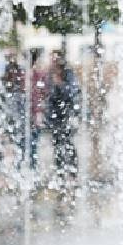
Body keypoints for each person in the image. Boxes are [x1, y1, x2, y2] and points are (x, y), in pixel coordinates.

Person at [46, 51, 81, 189]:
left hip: (67, 115)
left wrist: (60, 84)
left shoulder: (68, 74)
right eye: (52, 58)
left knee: (69, 144)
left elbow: (72, 92)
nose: (53, 61)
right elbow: (48, 95)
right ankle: (60, 174)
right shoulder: (50, 74)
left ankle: (73, 174)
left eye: (55, 58)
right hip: (55, 116)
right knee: (57, 146)